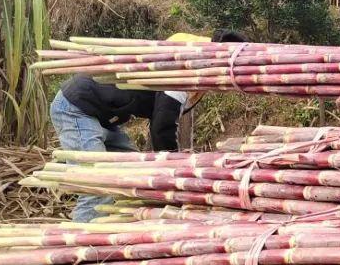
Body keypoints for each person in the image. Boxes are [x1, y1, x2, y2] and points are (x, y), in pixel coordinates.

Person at [49, 29, 246, 222]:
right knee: (96, 187)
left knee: (134, 175)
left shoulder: (197, 64)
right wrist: (173, 170)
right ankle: (79, 250)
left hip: (104, 117)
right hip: (77, 109)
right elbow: (162, 125)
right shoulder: (184, 66)